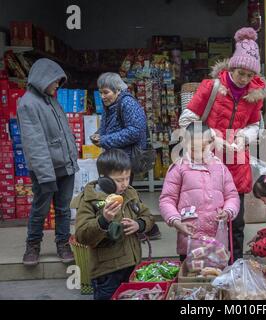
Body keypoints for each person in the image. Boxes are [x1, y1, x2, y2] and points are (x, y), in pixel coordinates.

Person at [178, 27, 266, 260]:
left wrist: (242, 136)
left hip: (237, 163)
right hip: (206, 161)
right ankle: (202, 264)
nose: (244, 79)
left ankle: (234, 264)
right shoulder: (212, 87)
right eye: (240, 73)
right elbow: (186, 119)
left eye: (249, 75)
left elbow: (256, 126)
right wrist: (214, 138)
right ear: (231, 67)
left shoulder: (255, 94)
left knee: (235, 222)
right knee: (205, 217)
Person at [17, 58, 79, 266]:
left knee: (63, 209)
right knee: (40, 209)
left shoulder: (50, 99)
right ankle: (32, 245)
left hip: (65, 166)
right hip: (45, 169)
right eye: (55, 82)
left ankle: (63, 244)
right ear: (43, 79)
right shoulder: (27, 103)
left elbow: (62, 132)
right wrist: (45, 176)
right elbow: (34, 143)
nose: (57, 86)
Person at [72, 149, 155, 300]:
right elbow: (81, 235)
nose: (124, 184)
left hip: (132, 266)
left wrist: (140, 225)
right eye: (118, 180)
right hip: (107, 272)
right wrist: (103, 220)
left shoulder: (130, 193)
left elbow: (147, 216)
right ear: (104, 179)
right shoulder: (89, 200)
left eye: (127, 178)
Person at [92, 72, 161, 239]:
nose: (103, 96)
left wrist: (105, 139)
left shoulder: (127, 103)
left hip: (127, 158)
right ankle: (141, 227)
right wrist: (98, 135)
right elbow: (106, 127)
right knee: (122, 194)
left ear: (117, 90)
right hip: (117, 158)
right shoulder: (110, 105)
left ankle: (148, 228)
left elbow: (135, 132)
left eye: (106, 92)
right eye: (100, 92)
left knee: (126, 194)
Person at [159, 122, 240, 261]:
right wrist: (176, 222)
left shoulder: (220, 168)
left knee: (216, 276)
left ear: (211, 143)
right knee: (190, 277)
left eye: (203, 147)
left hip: (217, 239)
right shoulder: (178, 168)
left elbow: (232, 196)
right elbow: (167, 199)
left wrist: (227, 211)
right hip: (190, 238)